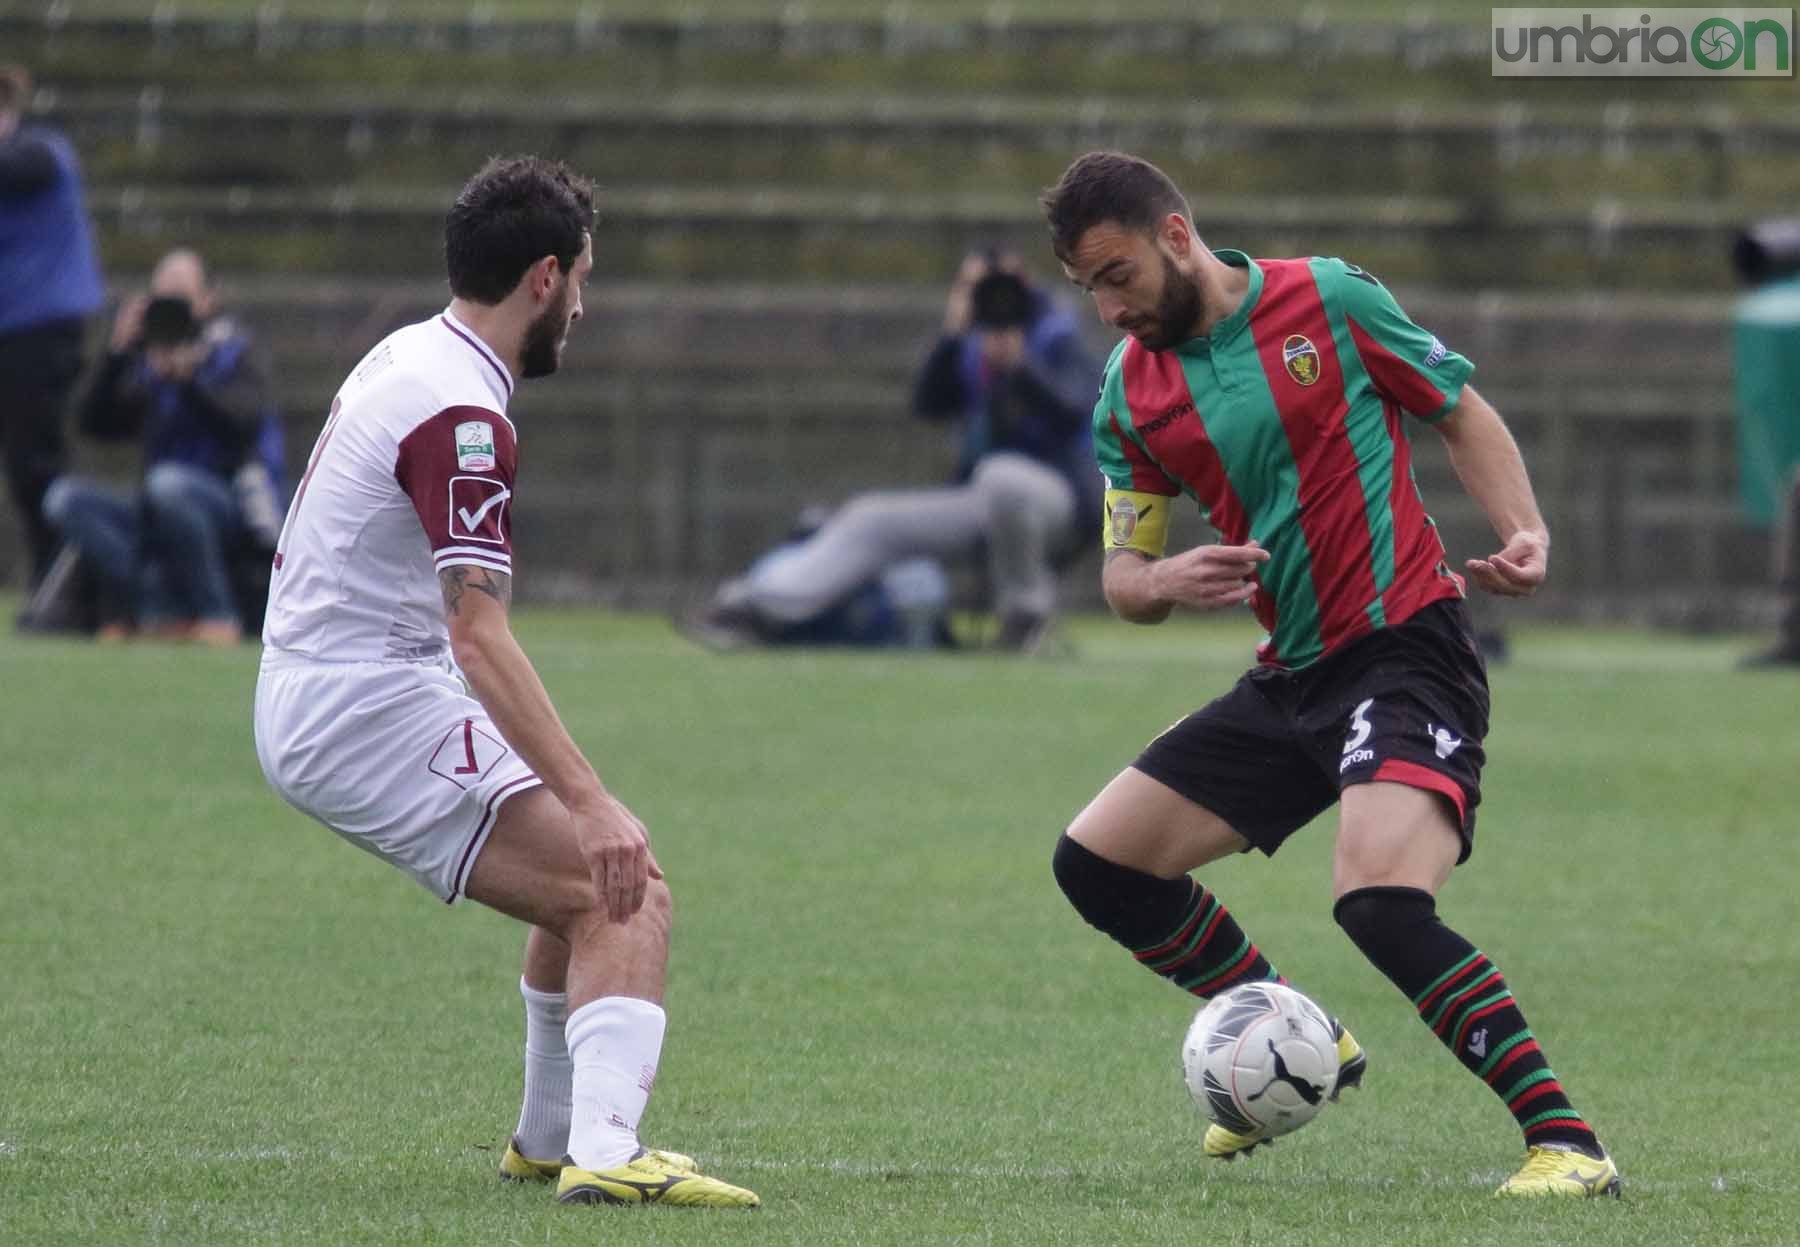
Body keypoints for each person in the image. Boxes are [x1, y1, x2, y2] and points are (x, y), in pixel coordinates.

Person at [1039, 151, 1620, 1198]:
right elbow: (1124, 577)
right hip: (1291, 674)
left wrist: (1524, 530)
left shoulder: (1331, 299)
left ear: (1177, 235)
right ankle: (1306, 1032)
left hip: (1407, 649)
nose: (1109, 307)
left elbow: (1458, 407)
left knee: (1381, 900)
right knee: (1097, 863)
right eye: (1090, 289)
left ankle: (1568, 1141)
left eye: (1118, 275)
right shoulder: (1132, 393)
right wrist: (1165, 572)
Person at [253, 156, 758, 1210]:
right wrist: (589, 797)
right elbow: (478, 633)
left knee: (592, 877)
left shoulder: (419, 352)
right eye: (582, 276)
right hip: (362, 703)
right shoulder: (463, 416)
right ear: (543, 277)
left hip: (348, 686)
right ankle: (609, 1151)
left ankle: (546, 1136)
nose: (584, 301)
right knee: (627, 883)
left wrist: (582, 796)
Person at [688, 250, 1101, 652]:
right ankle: (757, 606)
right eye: (977, 286)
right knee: (873, 518)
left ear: (1027, 283)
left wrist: (1022, 366)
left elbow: (1078, 407)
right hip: (981, 502)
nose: (995, 295)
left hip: (1059, 501)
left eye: (1005, 284)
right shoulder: (971, 346)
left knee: (1002, 475)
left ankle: (1025, 622)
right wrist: (953, 334)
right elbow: (926, 404)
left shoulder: (1056, 333)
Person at [41, 248, 284, 642]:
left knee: (169, 483)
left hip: (227, 505)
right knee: (65, 499)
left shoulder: (233, 350)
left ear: (208, 299)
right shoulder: (147, 360)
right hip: (156, 506)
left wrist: (190, 381)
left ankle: (216, 614)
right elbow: (92, 424)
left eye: (181, 297)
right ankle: (157, 610)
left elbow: (244, 424)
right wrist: (116, 353)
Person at [0, 64, 104, 592]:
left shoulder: (43, 152)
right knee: (25, 466)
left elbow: (21, 165)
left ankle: (64, 577)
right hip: (13, 328)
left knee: (37, 459)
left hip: (41, 327)